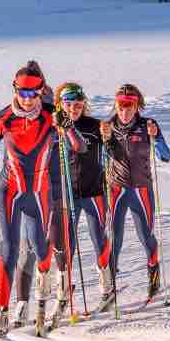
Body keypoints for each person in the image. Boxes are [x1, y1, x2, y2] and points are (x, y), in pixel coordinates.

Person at [0, 61, 68, 337]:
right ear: (14, 90)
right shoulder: (3, 118)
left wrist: (66, 126)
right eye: (21, 94)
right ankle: (0, 313)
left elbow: (75, 145)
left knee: (41, 247)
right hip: (9, 191)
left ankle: (42, 299)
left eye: (32, 94)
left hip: (39, 193)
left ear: (41, 92)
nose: (26, 100)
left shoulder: (52, 116)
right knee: (10, 249)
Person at [100, 83, 170, 303]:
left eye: (129, 105)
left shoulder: (147, 125)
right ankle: (110, 284)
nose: (124, 111)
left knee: (146, 236)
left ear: (137, 105)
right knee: (115, 238)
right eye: (121, 105)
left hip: (141, 190)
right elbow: (102, 159)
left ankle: (154, 279)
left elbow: (166, 156)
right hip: (117, 189)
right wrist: (104, 140)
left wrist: (157, 136)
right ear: (115, 104)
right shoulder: (107, 126)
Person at [55, 82, 116, 307]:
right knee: (65, 243)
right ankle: (63, 287)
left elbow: (115, 149)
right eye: (69, 104)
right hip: (67, 195)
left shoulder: (94, 125)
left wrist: (109, 138)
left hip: (94, 193)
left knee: (99, 239)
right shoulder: (56, 128)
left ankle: (107, 285)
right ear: (61, 105)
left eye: (78, 104)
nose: (74, 108)